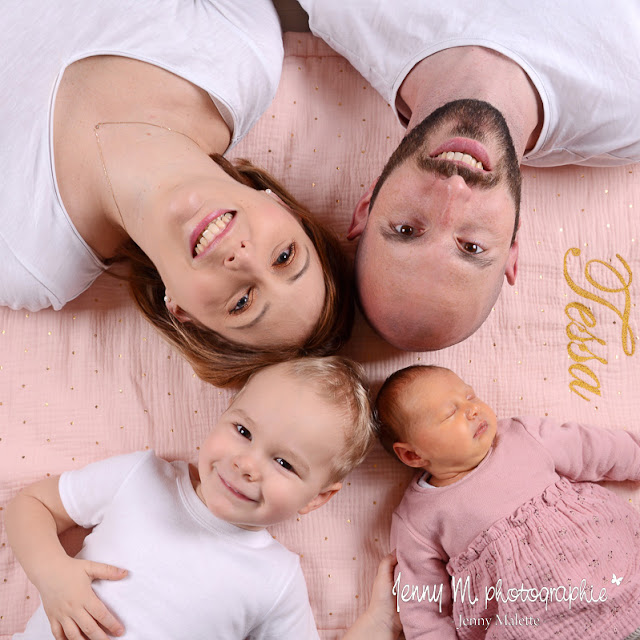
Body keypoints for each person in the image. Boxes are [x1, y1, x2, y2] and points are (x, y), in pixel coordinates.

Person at [1, 0, 353, 388]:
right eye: (284, 257)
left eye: (242, 303)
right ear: (280, 204)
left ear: (181, 310)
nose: (245, 259)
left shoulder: (28, 261)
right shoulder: (241, 51)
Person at [299, 0, 640, 352]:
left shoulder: (344, 8)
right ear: (513, 243)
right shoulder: (630, 114)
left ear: (367, 205)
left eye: (406, 230)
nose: (454, 189)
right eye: (472, 247)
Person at [6, 356, 401, 640]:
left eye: (283, 462)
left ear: (317, 498)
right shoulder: (140, 478)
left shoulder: (275, 579)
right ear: (223, 414)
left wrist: (378, 625)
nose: (247, 464)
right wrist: (51, 574)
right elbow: (31, 505)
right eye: (243, 431)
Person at [375, 364, 640, 639]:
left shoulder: (521, 436)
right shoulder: (417, 518)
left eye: (470, 396)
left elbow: (593, 449)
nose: (472, 409)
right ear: (412, 455)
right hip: (535, 623)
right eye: (450, 413)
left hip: (615, 575)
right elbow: (421, 605)